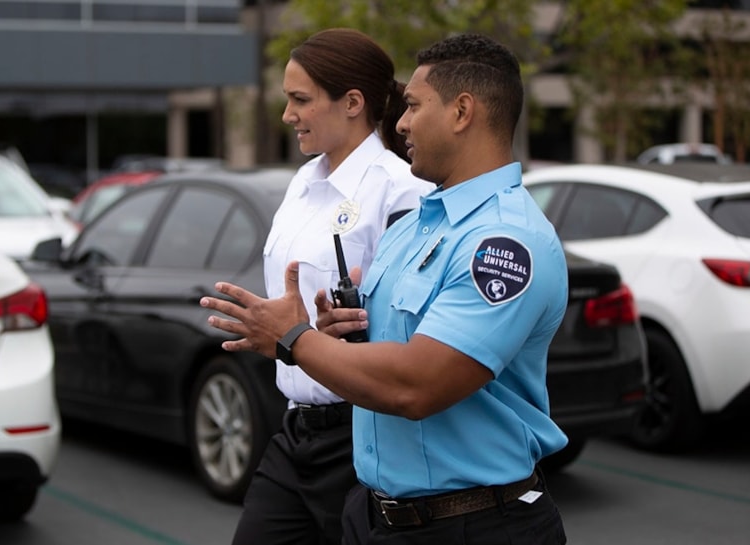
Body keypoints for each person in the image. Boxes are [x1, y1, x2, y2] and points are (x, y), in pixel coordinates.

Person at [201, 33, 569, 545]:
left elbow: (415, 386)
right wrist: (333, 333)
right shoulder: (415, 226)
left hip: (473, 524)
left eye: (414, 106)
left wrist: (295, 339)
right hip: (377, 515)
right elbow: (382, 346)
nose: (399, 122)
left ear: (462, 112)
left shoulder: (504, 244)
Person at [231, 28, 430, 545]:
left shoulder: (402, 189)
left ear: (353, 103)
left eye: (300, 100)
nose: (287, 115)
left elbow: (414, 326)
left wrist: (339, 327)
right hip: (296, 429)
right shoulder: (303, 181)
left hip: (362, 437)